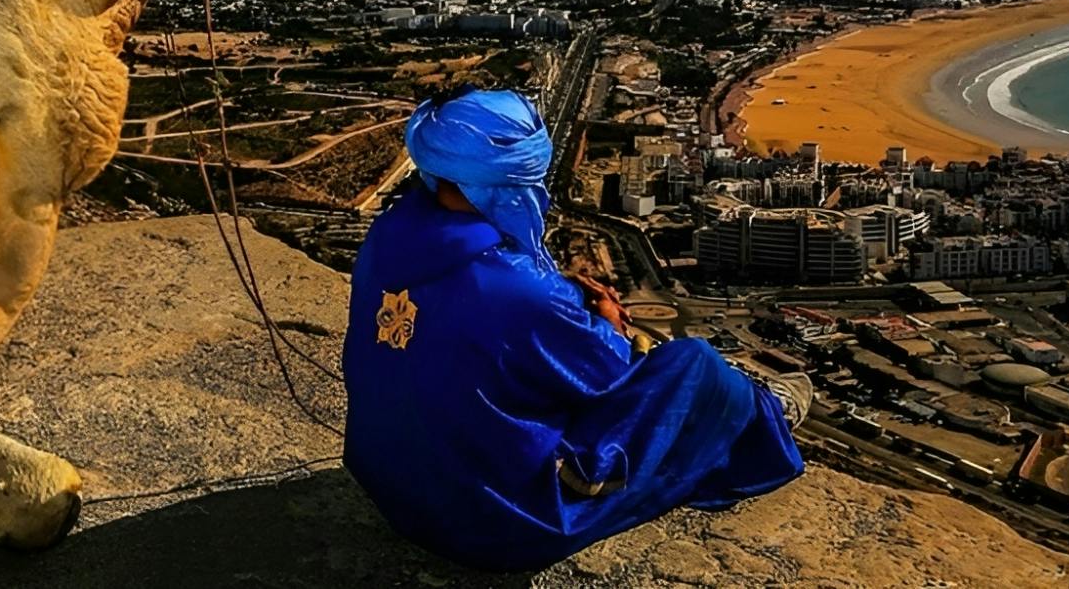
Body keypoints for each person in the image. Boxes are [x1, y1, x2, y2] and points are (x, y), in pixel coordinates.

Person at [343, 88, 807, 571]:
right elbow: (615, 377)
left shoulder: (386, 236)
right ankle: (767, 416)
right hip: (486, 527)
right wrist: (605, 321)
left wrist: (553, 297)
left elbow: (465, 309)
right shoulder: (525, 293)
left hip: (392, 492)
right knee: (697, 367)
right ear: (513, 183)